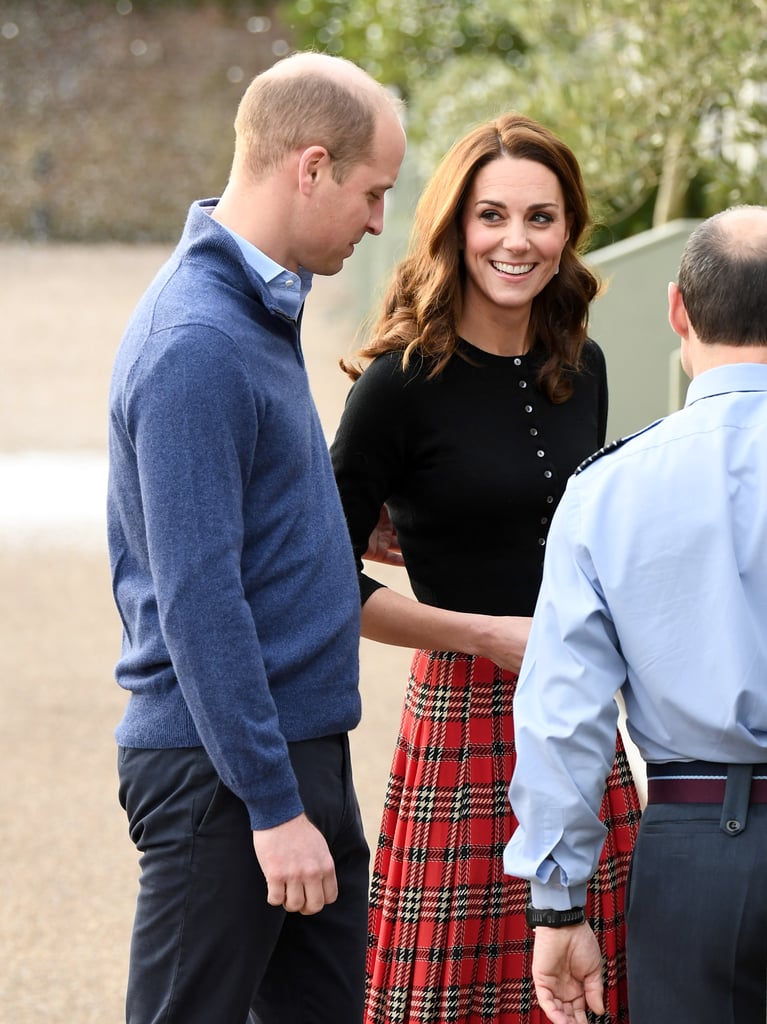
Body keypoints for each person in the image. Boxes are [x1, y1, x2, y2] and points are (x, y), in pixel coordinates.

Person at [106, 51, 406, 1024]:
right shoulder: (195, 341)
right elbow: (197, 596)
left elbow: (240, 517)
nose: (375, 221)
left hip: (283, 754)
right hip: (225, 774)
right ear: (309, 167)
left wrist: (328, 525)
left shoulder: (254, 311)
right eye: (371, 193)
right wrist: (274, 807)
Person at [330, 113, 641, 1024]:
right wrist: (479, 636)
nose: (516, 240)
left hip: (581, 717)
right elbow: (317, 580)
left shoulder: (581, 368)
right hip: (462, 722)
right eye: (491, 216)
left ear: (567, 232)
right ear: (453, 228)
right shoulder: (396, 384)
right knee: (448, 1000)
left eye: (540, 219)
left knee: (595, 993)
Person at [504, 204, 767, 1024]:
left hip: (698, 852)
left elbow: (564, 713)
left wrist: (557, 904)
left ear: (676, 309)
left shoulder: (607, 490)